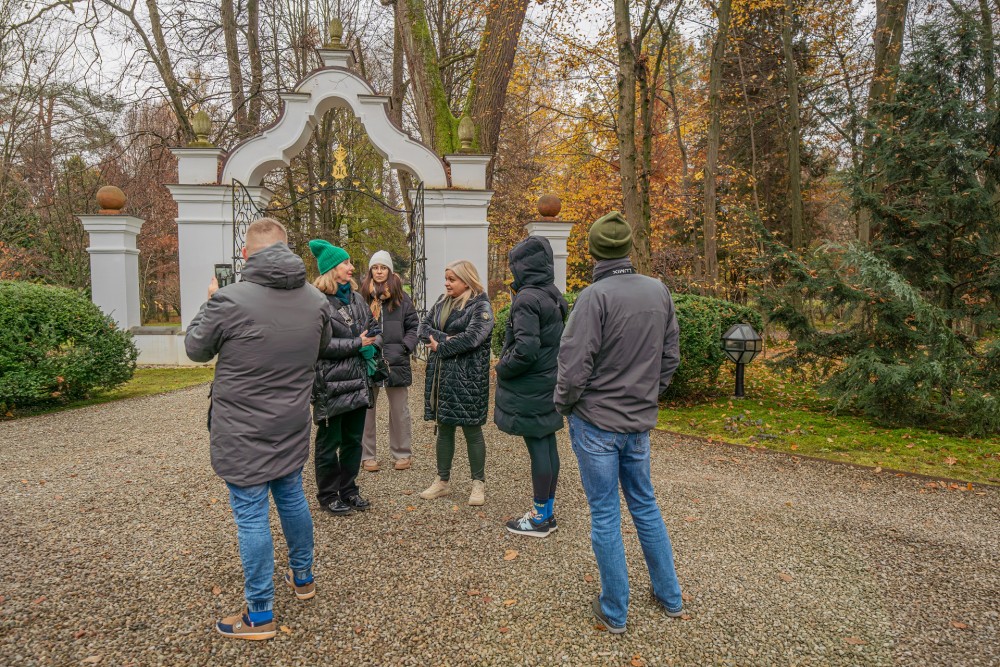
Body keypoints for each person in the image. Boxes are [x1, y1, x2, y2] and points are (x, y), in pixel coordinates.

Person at [185, 217, 332, 641]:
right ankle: (302, 577)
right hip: (290, 421)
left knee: (251, 514)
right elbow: (321, 348)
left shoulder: (228, 300)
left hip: (241, 427)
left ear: (247, 254)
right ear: (287, 250)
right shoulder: (314, 301)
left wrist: (208, 300)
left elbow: (196, 349)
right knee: (290, 496)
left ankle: (260, 613)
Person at [554, 211, 684, 634]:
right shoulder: (658, 291)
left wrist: (565, 405)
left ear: (593, 251)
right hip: (637, 422)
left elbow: (573, 366)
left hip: (596, 424)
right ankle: (670, 597)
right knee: (645, 505)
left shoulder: (594, 297)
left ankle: (615, 610)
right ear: (628, 248)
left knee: (606, 513)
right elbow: (670, 358)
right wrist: (647, 394)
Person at [494, 236, 568, 538]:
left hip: (530, 384)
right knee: (547, 444)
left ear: (523, 266)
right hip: (548, 380)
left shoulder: (527, 299)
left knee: (539, 447)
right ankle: (546, 513)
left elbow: (526, 349)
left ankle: (539, 518)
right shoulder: (552, 294)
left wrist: (502, 367)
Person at [309, 239, 381, 516]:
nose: (351, 267)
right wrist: (357, 344)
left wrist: (374, 340)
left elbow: (373, 329)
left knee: (353, 441)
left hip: (358, 381)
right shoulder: (317, 302)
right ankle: (328, 495)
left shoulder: (357, 298)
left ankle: (349, 489)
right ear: (331, 269)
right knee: (329, 443)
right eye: (346, 263)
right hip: (331, 383)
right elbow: (319, 346)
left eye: (350, 262)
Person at [418, 260, 494, 506]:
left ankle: (478, 484)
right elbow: (422, 329)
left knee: (472, 430)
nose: (447, 283)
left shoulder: (480, 306)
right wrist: (447, 337)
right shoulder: (442, 302)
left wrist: (441, 345)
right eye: (446, 278)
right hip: (442, 376)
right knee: (444, 428)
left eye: (452, 279)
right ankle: (442, 481)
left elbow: (473, 338)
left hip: (468, 379)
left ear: (466, 280)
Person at [359, 250, 419, 472]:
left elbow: (414, 326)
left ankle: (402, 453)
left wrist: (405, 347)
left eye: (383, 267)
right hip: (369, 360)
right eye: (375, 267)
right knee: (366, 410)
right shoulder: (362, 298)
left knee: (399, 411)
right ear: (370, 271)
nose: (379, 271)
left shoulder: (402, 299)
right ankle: (367, 455)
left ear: (390, 271)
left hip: (396, 361)